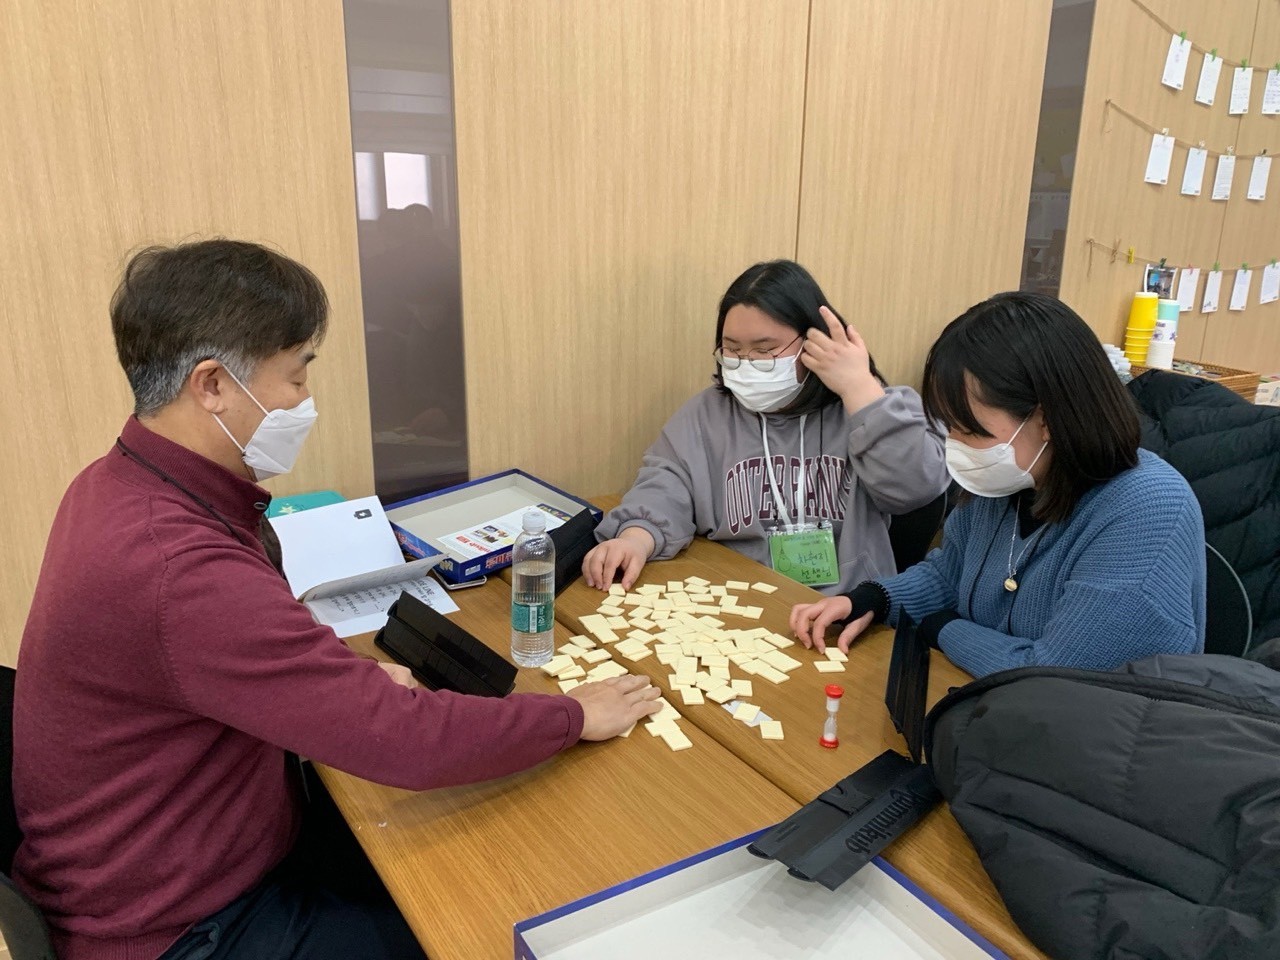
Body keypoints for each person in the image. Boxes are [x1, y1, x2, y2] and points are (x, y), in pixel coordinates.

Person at [13, 240, 660, 960]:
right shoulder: (178, 566)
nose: (304, 401)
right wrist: (574, 715)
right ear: (212, 385)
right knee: (489, 923)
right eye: (294, 376)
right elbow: (403, 742)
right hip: (181, 928)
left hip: (174, 856)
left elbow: (226, 658)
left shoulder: (115, 483)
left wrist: (339, 682)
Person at [791, 291, 1206, 677]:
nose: (954, 445)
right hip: (983, 700)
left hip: (1080, 721)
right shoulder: (1010, 478)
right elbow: (951, 575)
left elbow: (1053, 674)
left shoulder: (1146, 508)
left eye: (971, 431)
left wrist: (943, 629)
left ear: (1046, 420)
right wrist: (875, 599)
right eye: (948, 427)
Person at [584, 260, 950, 595]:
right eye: (732, 349)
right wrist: (635, 538)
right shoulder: (705, 415)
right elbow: (666, 484)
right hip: (739, 603)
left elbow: (915, 489)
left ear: (813, 342)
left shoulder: (871, 408)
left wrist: (860, 389)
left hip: (847, 608)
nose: (746, 363)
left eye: (765, 350)